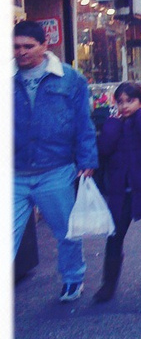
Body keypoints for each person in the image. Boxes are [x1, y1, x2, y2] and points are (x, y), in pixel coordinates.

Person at [13, 20, 98, 302]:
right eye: (16, 47)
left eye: (28, 46)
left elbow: (84, 123)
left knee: (66, 232)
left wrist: (87, 160)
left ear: (44, 45)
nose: (21, 52)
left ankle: (73, 278)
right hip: (13, 172)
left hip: (56, 169)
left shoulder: (70, 78)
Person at [93, 82, 141, 302]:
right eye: (120, 102)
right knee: (115, 236)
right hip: (121, 190)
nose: (125, 106)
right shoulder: (115, 124)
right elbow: (104, 148)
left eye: (130, 101)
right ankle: (108, 283)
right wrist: (112, 124)